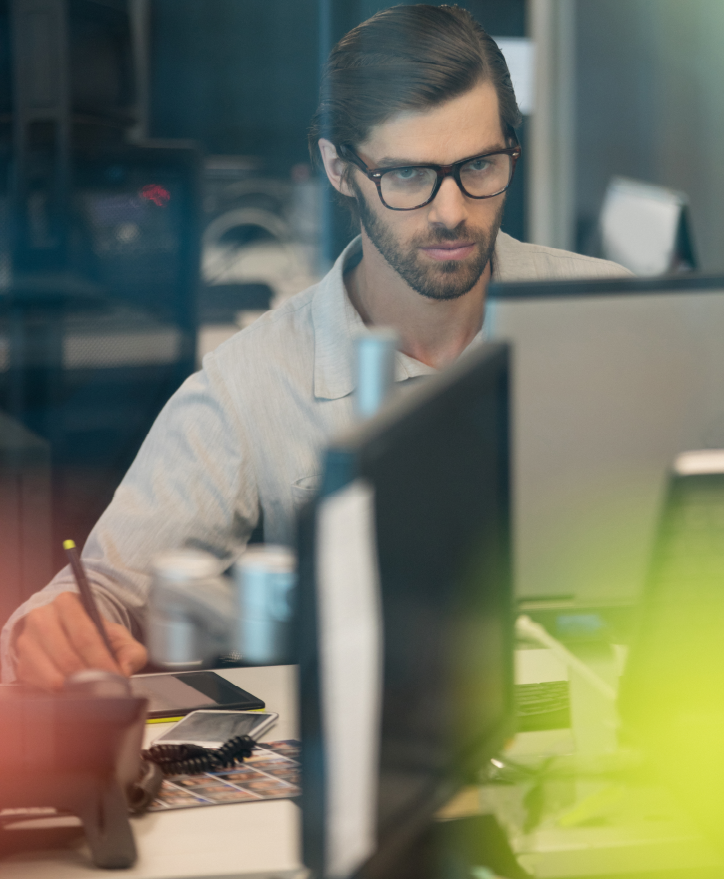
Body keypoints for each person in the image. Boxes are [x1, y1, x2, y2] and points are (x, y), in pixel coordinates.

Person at [2, 4, 628, 689]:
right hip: (392, 763)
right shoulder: (254, 381)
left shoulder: (610, 315)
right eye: (409, 176)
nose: (451, 211)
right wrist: (57, 629)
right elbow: (104, 588)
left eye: (478, 165)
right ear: (339, 168)